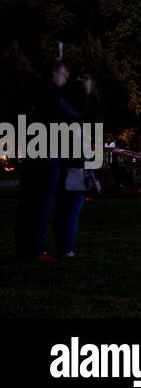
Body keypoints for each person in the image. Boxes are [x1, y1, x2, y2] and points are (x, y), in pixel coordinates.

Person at [16, 59, 84, 262]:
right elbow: (70, 115)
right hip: (47, 152)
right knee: (42, 203)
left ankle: (25, 247)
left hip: (31, 151)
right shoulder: (51, 93)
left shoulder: (31, 91)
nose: (65, 79)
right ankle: (37, 250)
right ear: (55, 73)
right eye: (64, 75)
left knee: (28, 203)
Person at [53, 72, 97, 258]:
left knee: (61, 211)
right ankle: (66, 248)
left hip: (61, 165)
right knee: (71, 212)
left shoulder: (61, 114)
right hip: (76, 167)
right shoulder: (81, 121)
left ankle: (61, 246)